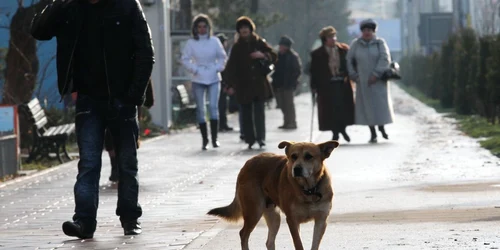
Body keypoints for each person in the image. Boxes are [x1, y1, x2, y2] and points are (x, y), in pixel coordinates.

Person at [31, 0, 154, 238]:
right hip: (89, 100)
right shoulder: (71, 8)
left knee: (127, 164)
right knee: (88, 164)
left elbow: (146, 52)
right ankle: (84, 222)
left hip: (123, 99)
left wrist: (134, 95)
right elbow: (39, 31)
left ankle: (130, 218)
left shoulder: (127, 5)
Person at [224, 16, 277, 149]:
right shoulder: (237, 47)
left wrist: (263, 55)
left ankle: (261, 138)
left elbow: (273, 56)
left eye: (246, 27)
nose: (244, 30)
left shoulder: (259, 42)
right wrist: (229, 85)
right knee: (245, 113)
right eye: (241, 28)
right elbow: (231, 67)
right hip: (243, 85)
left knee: (259, 113)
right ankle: (249, 139)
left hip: (259, 83)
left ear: (250, 29)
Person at [181, 14, 228, 150]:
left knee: (213, 107)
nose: (202, 29)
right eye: (199, 27)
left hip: (213, 77)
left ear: (208, 27)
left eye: (204, 27)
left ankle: (214, 138)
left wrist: (217, 68)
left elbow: (222, 57)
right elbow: (185, 59)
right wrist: (194, 69)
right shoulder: (191, 43)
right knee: (201, 109)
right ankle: (204, 140)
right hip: (198, 77)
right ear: (195, 28)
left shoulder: (214, 41)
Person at [346, 19, 394, 143]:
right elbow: (349, 60)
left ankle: (382, 128)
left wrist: (376, 74)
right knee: (367, 108)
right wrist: (353, 75)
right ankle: (373, 133)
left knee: (380, 107)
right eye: (364, 30)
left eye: (369, 30)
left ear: (373, 31)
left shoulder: (379, 43)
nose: (367, 33)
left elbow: (385, 58)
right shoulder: (356, 44)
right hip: (362, 82)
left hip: (378, 81)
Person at [310, 26, 355, 141]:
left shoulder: (343, 50)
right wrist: (314, 86)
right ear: (324, 39)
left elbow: (350, 65)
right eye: (330, 37)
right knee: (331, 110)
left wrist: (347, 74)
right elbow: (314, 71)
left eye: (334, 36)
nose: (333, 39)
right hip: (327, 86)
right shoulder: (317, 54)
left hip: (342, 84)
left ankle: (343, 129)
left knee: (343, 109)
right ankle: (335, 132)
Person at [107, 79, 155, 182]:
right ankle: (119, 166)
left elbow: (145, 69)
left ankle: (117, 166)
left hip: (125, 97)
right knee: (126, 133)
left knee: (115, 133)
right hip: (128, 97)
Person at [272, 35, 302, 130]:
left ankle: (292, 122)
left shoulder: (293, 57)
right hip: (278, 84)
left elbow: (297, 70)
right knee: (281, 104)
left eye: (283, 45)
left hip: (288, 84)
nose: (281, 47)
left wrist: (293, 81)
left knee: (289, 104)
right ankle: (286, 121)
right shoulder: (277, 56)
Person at [216, 33, 234, 132]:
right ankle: (220, 124)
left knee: (223, 105)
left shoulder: (223, 53)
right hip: (219, 82)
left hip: (223, 83)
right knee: (220, 105)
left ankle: (224, 123)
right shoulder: (218, 54)